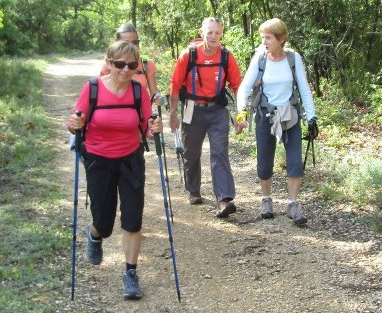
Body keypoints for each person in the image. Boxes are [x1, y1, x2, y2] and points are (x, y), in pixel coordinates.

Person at [67, 39, 163, 299]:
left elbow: (146, 125)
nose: (125, 69)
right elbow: (75, 121)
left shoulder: (137, 91)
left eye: (131, 65)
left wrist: (153, 129)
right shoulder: (93, 88)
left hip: (131, 159)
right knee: (104, 221)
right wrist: (74, 123)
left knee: (132, 219)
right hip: (98, 159)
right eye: (119, 64)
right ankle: (95, 234)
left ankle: (131, 274)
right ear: (108, 64)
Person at [235, 18, 318, 226]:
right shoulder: (259, 59)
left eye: (268, 37)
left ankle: (292, 204)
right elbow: (244, 89)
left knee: (295, 161)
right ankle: (266, 200)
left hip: (290, 115)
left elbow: (304, 89)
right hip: (265, 115)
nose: (264, 41)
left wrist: (312, 117)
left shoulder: (293, 58)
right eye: (262, 37)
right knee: (264, 160)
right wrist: (241, 115)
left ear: (281, 39)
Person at [168, 17, 243, 218]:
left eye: (217, 33)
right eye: (209, 32)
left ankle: (224, 199)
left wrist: (241, 114)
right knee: (191, 152)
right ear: (202, 33)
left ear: (221, 34)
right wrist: (173, 113)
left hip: (217, 110)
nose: (213, 36)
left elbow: (237, 85)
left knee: (219, 152)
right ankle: (194, 189)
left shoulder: (227, 56)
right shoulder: (189, 55)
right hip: (192, 109)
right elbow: (175, 84)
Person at [99, 22, 163, 104]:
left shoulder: (147, 64)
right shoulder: (111, 65)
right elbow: (100, 92)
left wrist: (158, 97)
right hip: (114, 111)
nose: (131, 46)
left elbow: (154, 92)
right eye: (126, 43)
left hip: (140, 113)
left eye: (134, 42)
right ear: (117, 43)